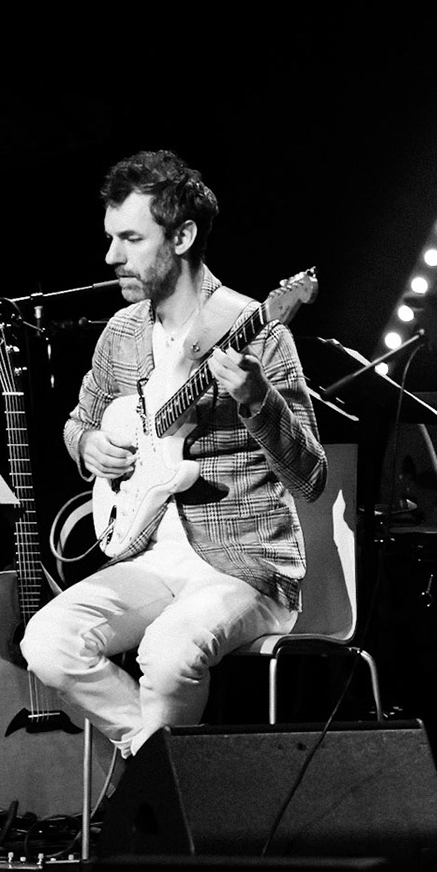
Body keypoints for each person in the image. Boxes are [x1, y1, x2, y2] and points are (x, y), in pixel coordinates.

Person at [21, 150, 327, 758]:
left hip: (244, 565)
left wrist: (256, 397)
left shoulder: (258, 327)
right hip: (150, 557)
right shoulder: (123, 333)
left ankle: (162, 804)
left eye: (131, 238)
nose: (111, 257)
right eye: (111, 237)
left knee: (165, 654)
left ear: (183, 235)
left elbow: (311, 476)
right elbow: (78, 422)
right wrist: (90, 445)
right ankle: (167, 773)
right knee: (47, 640)